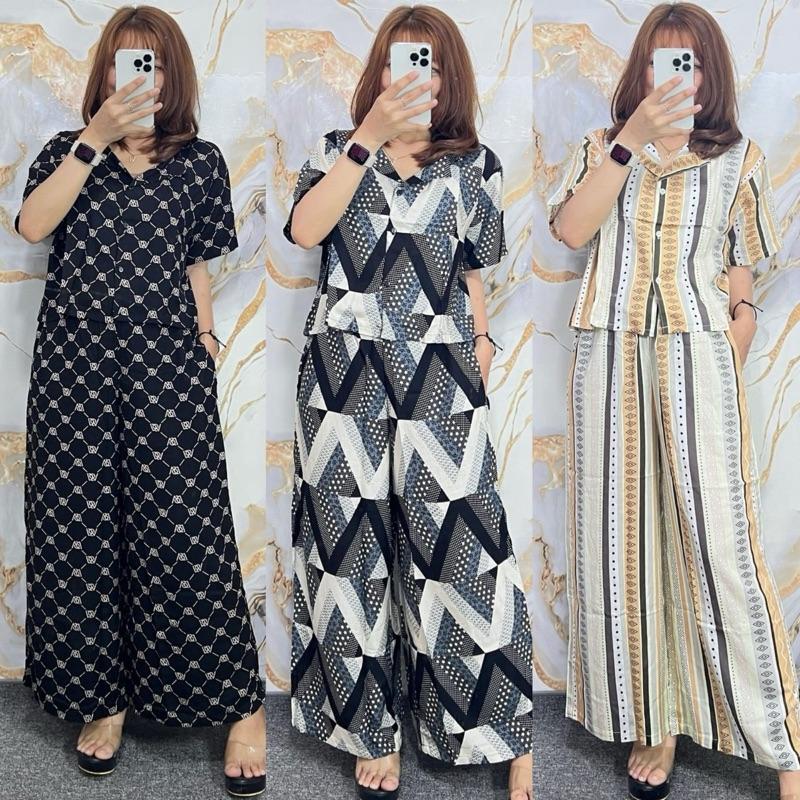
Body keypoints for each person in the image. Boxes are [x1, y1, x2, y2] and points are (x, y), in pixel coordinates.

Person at [548, 4, 800, 799]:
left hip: (699, 351)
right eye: (661, 60)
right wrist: (629, 139)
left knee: (722, 544)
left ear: (708, 73)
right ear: (641, 69)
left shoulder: (740, 159)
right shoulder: (601, 147)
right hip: (608, 353)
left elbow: (741, 262)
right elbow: (570, 231)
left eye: (687, 62)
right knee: (625, 546)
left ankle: (781, 744)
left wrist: (742, 321)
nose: (673, 76)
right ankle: (653, 722)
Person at [283, 5, 534, 800]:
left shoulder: (476, 165)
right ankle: (372, 730)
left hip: (441, 374)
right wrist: (367, 136)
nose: (411, 74)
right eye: (398, 59)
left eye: (426, 60)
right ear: (379, 70)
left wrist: (483, 344)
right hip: (342, 379)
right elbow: (304, 232)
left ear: (446, 72)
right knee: (348, 555)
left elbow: (472, 268)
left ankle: (492, 727)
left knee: (462, 552)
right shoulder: (336, 149)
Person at [15, 6, 266, 797]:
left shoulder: (201, 162)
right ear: (105, 72)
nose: (138, 77)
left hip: (167, 365)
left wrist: (207, 331)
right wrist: (94, 139)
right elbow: (33, 226)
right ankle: (105, 700)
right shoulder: (66, 151)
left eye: (151, 64)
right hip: (75, 370)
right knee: (81, 529)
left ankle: (241, 705)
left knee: (186, 529)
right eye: (125, 62)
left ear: (172, 75)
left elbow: (196, 262)